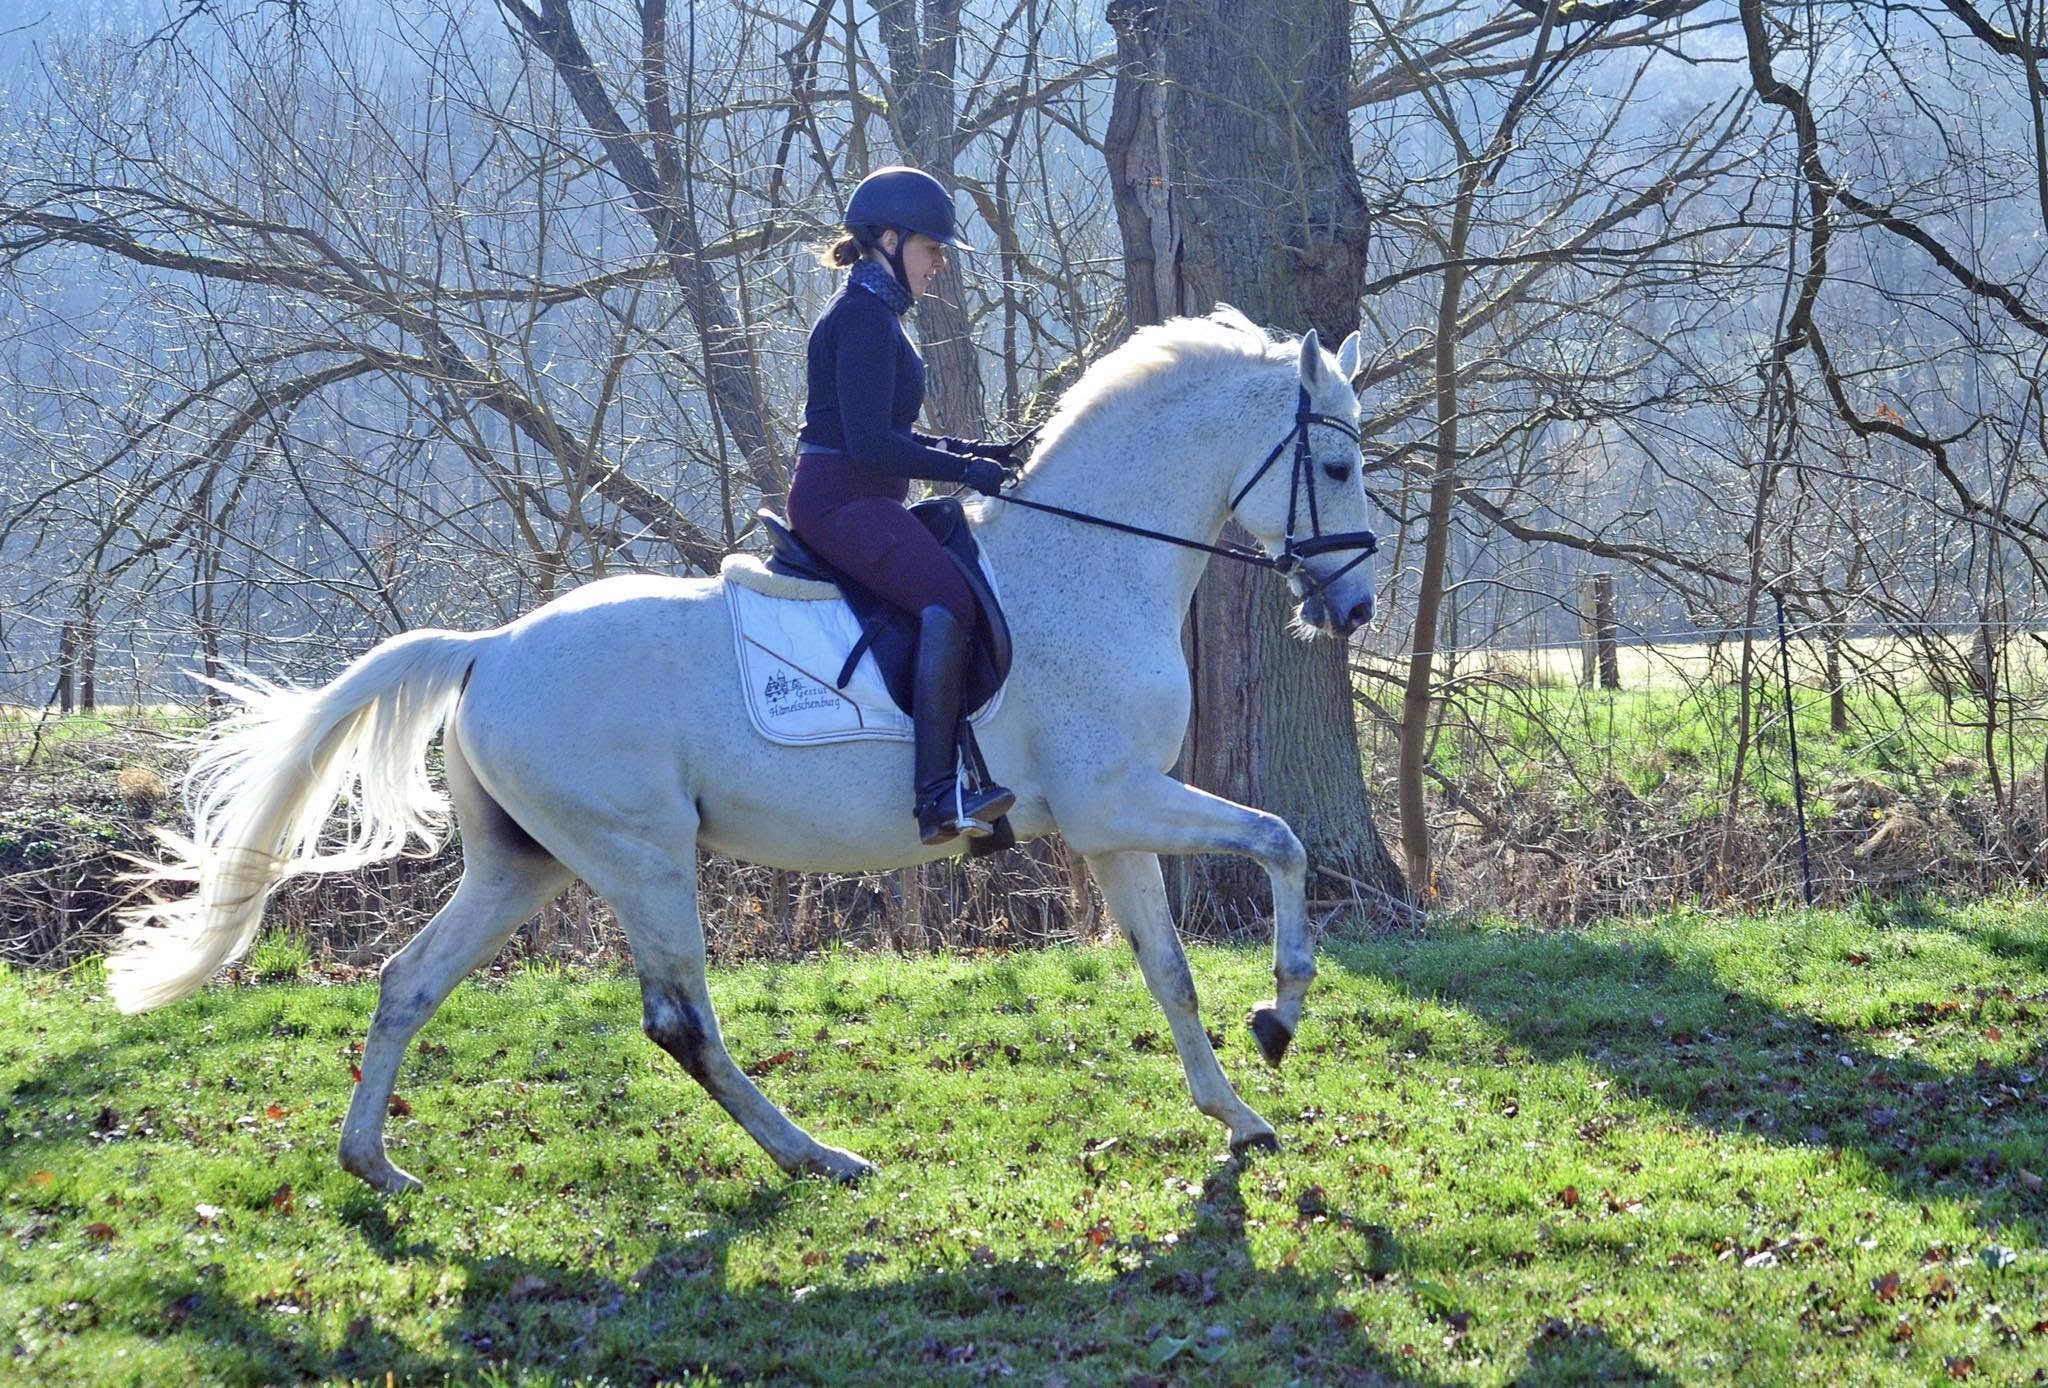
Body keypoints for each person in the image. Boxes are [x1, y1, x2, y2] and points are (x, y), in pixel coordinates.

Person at [789, 165, 1019, 846]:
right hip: (841, 501)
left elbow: (891, 434)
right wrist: (963, 470)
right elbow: (870, 447)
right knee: (949, 602)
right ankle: (937, 803)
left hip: (863, 497)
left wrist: (978, 451)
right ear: (888, 239)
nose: (939, 266)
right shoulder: (862, 317)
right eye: (931, 249)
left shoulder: (877, 313)